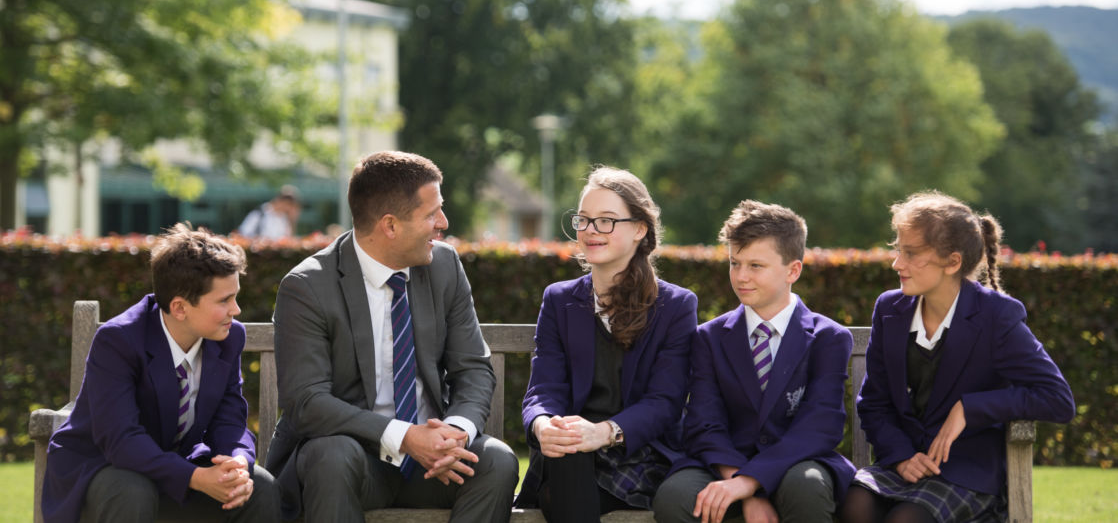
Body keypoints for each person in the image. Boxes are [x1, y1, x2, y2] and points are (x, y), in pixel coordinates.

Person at [264, 151, 518, 523]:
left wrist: (455, 432)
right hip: (353, 461)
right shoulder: (308, 287)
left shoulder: (444, 266)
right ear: (390, 225)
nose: (443, 224)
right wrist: (405, 437)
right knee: (331, 455)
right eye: (432, 214)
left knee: (496, 460)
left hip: (434, 464)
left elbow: (474, 369)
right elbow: (307, 402)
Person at [843, 191, 1076, 523]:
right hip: (902, 463)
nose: (897, 263)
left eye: (910, 253)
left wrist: (971, 407)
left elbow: (1057, 399)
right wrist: (901, 457)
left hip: (968, 474)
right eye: (898, 250)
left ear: (953, 262)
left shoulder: (996, 316)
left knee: (906, 520)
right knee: (855, 505)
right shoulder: (890, 309)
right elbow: (874, 402)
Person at [41, 223, 279, 523]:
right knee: (132, 489)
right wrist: (196, 477)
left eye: (235, 296)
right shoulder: (119, 340)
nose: (237, 310)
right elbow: (122, 440)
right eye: (224, 300)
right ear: (180, 308)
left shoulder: (229, 338)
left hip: (179, 464)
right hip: (104, 468)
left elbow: (229, 418)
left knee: (260, 488)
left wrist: (237, 463)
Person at [654, 200, 855, 523]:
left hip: (797, 462)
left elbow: (820, 426)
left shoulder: (828, 338)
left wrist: (753, 482)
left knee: (807, 487)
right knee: (675, 497)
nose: (741, 276)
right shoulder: (709, 337)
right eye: (735, 263)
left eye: (755, 266)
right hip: (724, 463)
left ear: (793, 270)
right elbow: (704, 424)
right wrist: (738, 483)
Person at [516, 166, 698, 522]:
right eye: (583, 220)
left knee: (566, 470)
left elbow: (665, 402)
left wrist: (602, 433)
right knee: (568, 448)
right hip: (573, 453)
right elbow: (543, 388)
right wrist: (543, 425)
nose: (591, 231)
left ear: (640, 229)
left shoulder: (675, 306)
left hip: (641, 454)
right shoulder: (559, 300)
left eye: (607, 221)